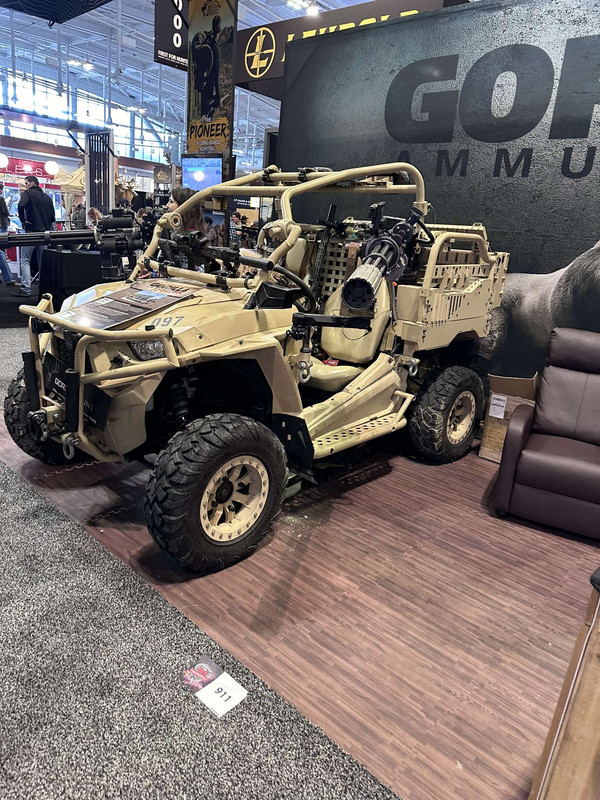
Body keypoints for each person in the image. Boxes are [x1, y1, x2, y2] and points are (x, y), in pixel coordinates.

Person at [16, 176, 55, 297]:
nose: (26, 186)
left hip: (31, 231)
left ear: (32, 183)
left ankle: (26, 288)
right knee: (42, 262)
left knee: (25, 260)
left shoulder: (27, 194)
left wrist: (23, 219)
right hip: (44, 233)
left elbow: (21, 205)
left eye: (26, 183)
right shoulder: (47, 197)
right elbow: (52, 217)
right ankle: (43, 289)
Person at [0, 182, 17, 286]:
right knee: (2, 251)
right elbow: (5, 212)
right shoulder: (1, 199)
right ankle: (9, 279)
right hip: (2, 224)